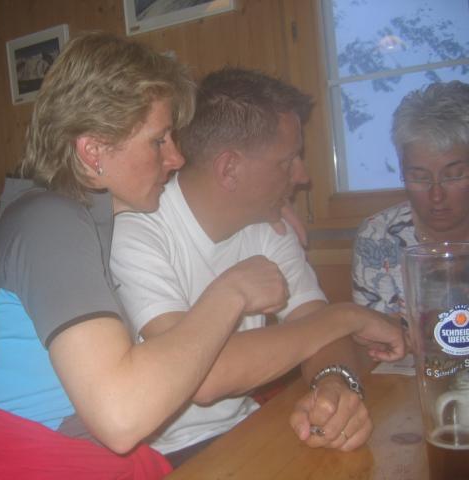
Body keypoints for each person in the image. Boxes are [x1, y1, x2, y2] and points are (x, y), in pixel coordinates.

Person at [110, 67, 406, 466]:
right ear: (229, 168)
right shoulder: (137, 232)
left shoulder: (268, 225)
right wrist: (346, 316)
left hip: (242, 427)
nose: (302, 176)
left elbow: (316, 325)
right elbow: (205, 378)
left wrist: (333, 385)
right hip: (157, 456)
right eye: (287, 161)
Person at [352, 81, 469, 317]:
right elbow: (376, 334)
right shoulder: (379, 237)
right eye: (419, 177)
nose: (436, 195)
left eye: (453, 175)